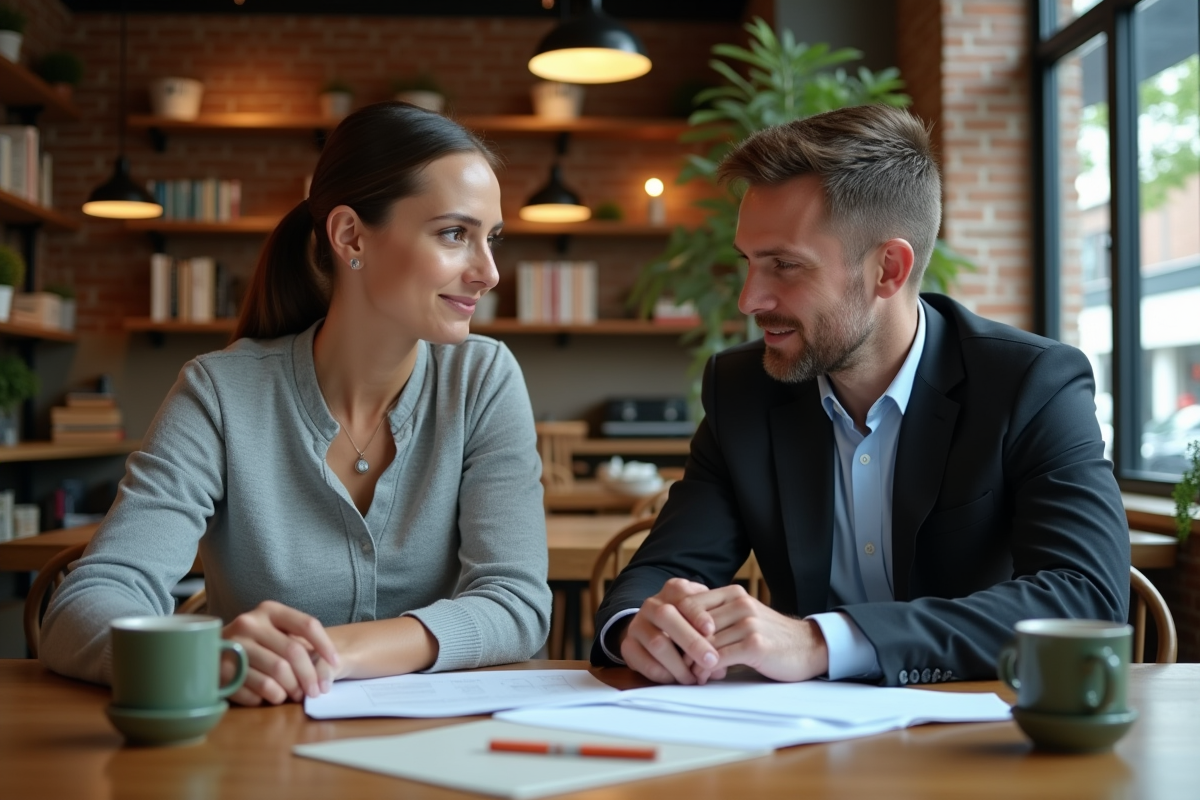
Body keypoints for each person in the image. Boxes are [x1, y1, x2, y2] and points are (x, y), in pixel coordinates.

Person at [592, 104, 1129, 687]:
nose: (749, 299)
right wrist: (637, 627)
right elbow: (670, 565)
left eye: (785, 266)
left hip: (979, 737)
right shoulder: (742, 389)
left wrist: (822, 641)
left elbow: (1086, 597)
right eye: (748, 263)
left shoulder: (1031, 384)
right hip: (801, 740)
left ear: (888, 270)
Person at [41, 103, 552, 705]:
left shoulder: (482, 379)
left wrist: (328, 655)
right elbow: (88, 600)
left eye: (490, 238)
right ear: (350, 236)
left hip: (444, 751)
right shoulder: (220, 393)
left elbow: (515, 604)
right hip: (261, 756)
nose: (488, 272)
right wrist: (209, 657)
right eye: (453, 234)